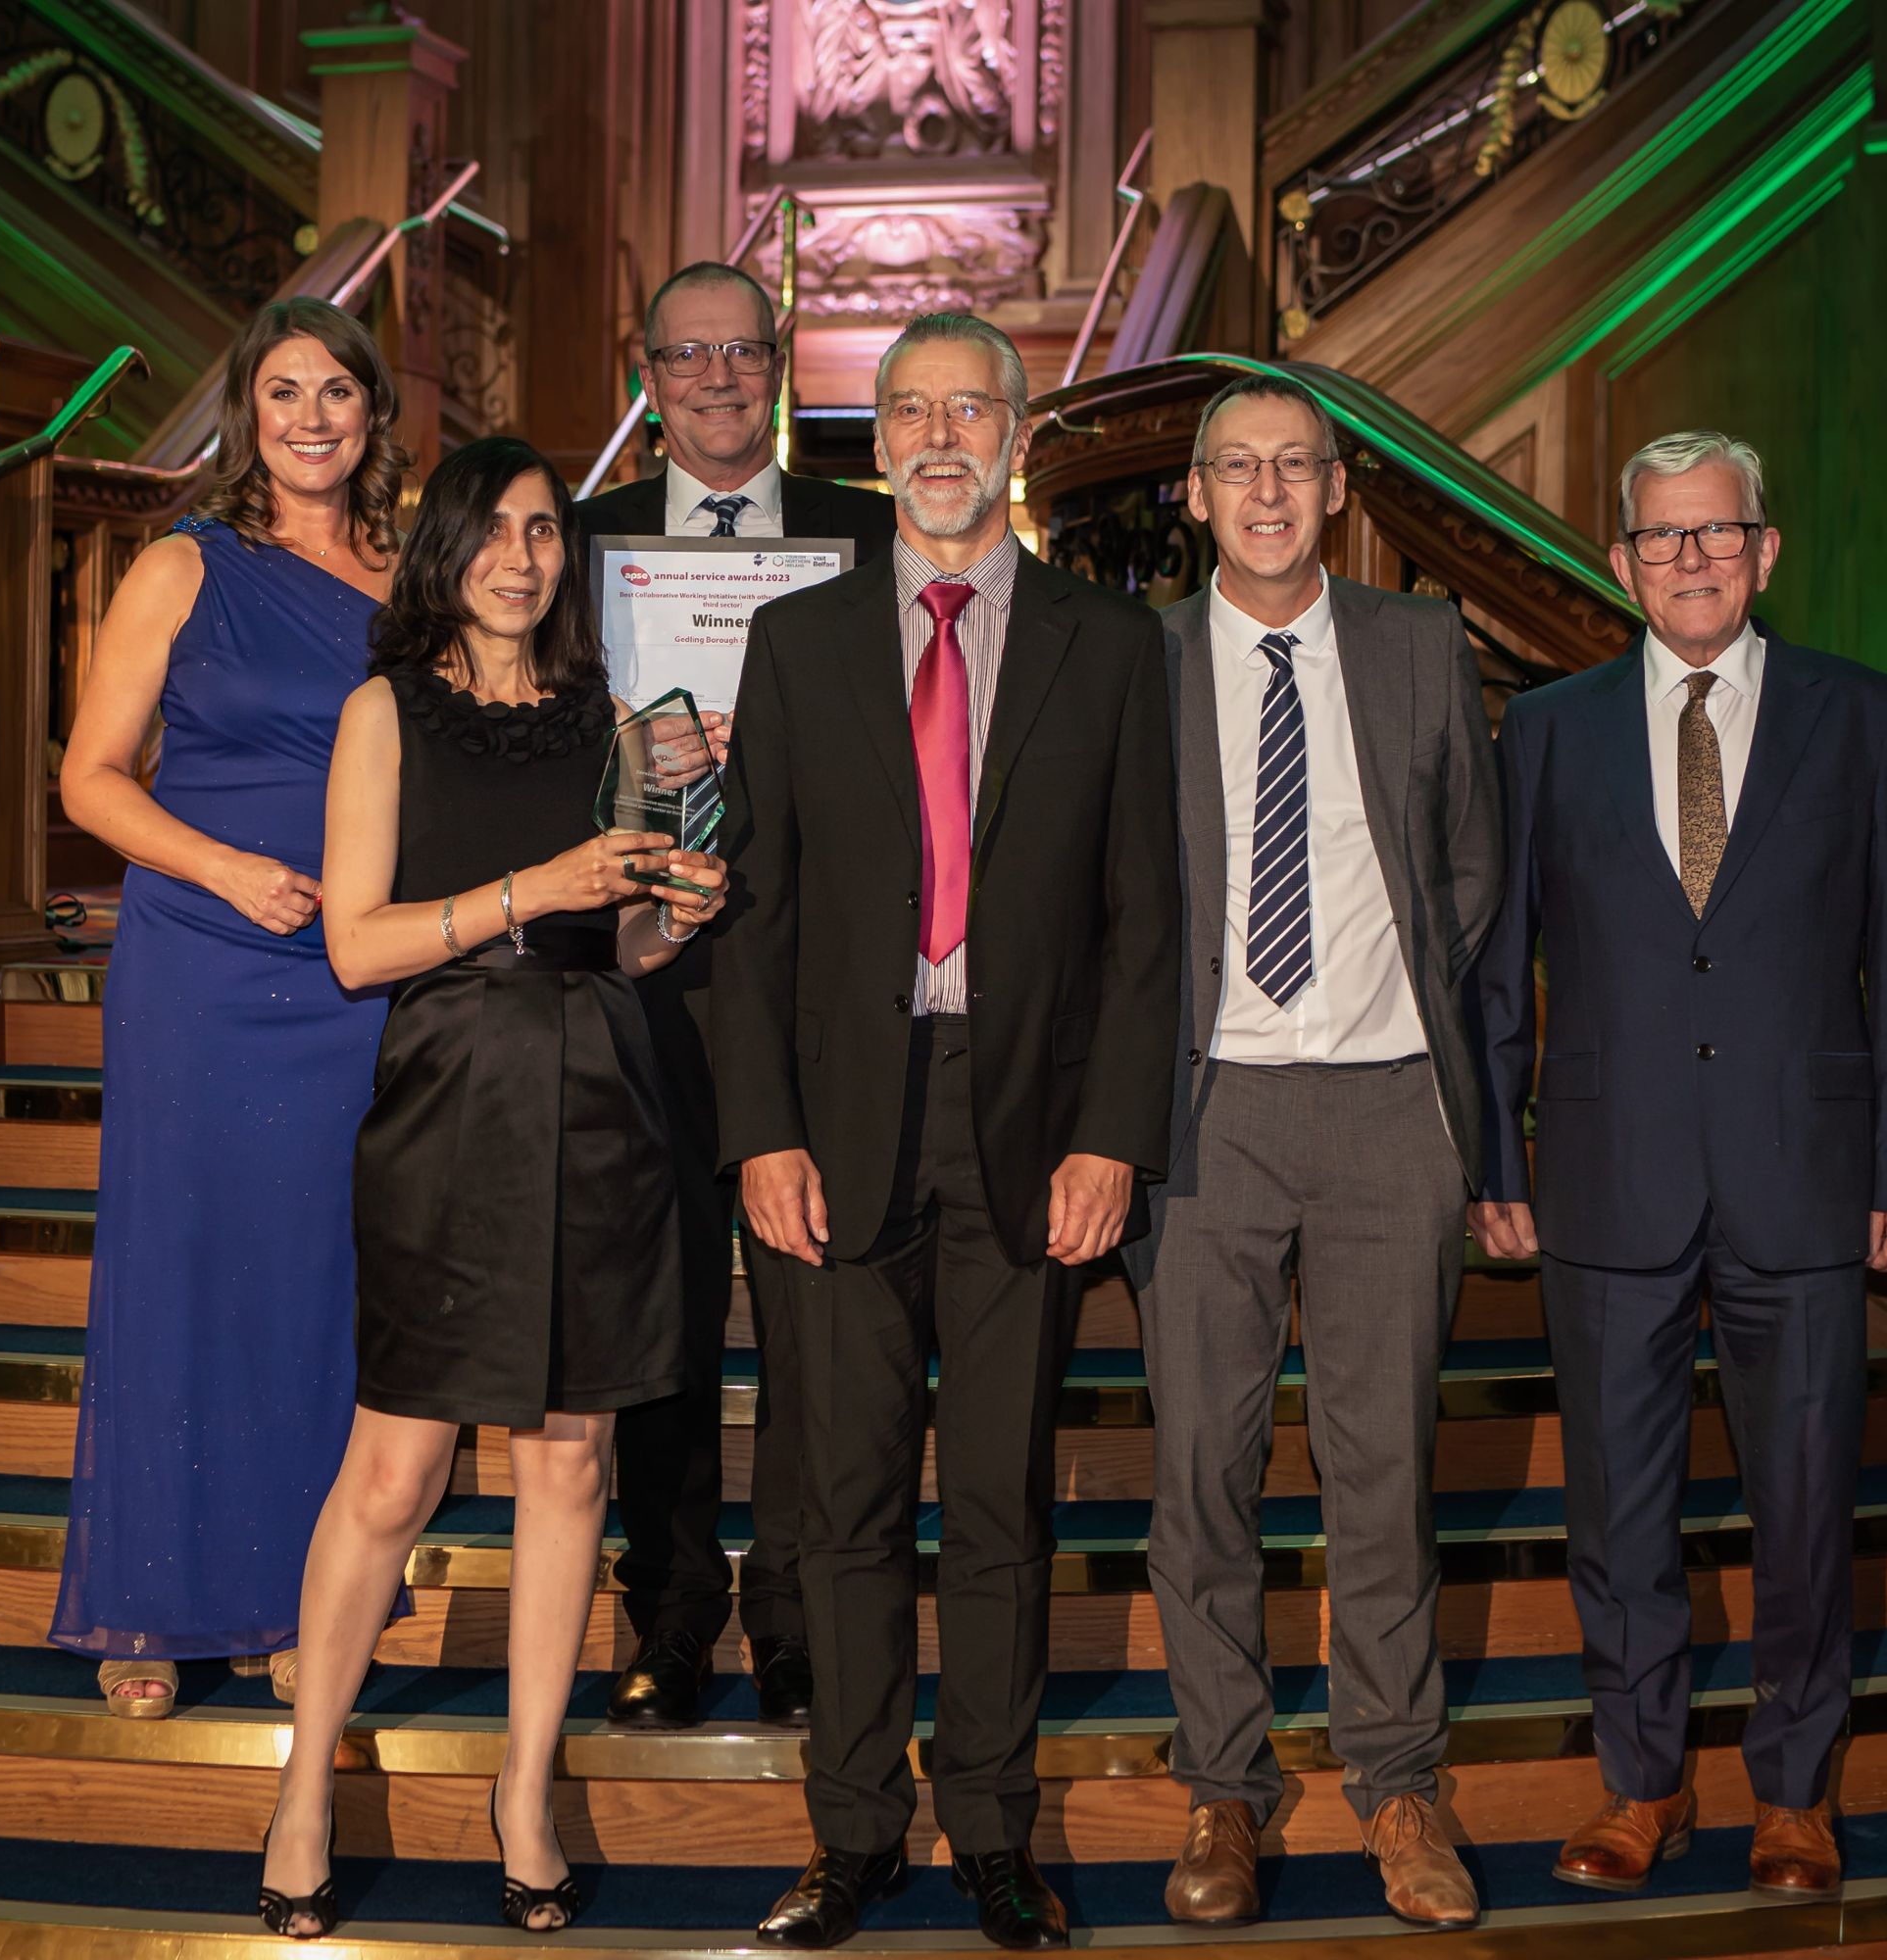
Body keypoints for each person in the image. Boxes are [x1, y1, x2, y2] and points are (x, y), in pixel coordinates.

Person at [711, 312, 1177, 1951]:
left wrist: (1113, 1135)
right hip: (835, 1132)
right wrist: (758, 1130)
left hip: (1029, 1125)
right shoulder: (800, 640)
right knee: (838, 1503)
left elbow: (1147, 922)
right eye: (907, 408)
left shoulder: (1110, 645)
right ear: (874, 437)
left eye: (967, 407)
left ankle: (991, 1828)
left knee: (997, 1506)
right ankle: (853, 1838)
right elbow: (749, 915)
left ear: (1018, 429)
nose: (936, 435)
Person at [255, 437, 728, 1940]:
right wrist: (538, 889)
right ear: (446, 548)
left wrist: (676, 906)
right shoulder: (385, 709)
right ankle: (306, 1789)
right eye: (496, 531)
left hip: (603, 1096)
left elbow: (631, 941)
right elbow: (355, 946)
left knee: (571, 1464)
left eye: (545, 533)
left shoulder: (608, 718)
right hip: (452, 1093)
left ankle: (523, 1793)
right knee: (395, 1472)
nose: (522, 558)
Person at [1468, 430, 1887, 1904]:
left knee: (1803, 1504)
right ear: (1619, 563)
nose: (1690, 559)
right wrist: (1499, 1152)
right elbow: (1499, 972)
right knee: (1618, 1512)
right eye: (1662, 538)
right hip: (1606, 1178)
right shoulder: (1545, 728)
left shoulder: (1859, 718)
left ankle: (1795, 1796)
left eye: (1716, 534)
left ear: (1765, 548)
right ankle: (1643, 1783)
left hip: (1804, 1175)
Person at [1123, 374, 1500, 1931]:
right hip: (1205, 1110)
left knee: (1384, 1469)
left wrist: (1393, 1018)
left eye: (1297, 464)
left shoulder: (1421, 647)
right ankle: (1225, 1788)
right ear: (1195, 496)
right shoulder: (1132, 660)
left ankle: (1398, 1783)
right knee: (1201, 1471)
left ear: (1339, 489)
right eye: (1238, 467)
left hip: (1386, 1104)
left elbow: (1467, 873)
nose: (1269, 490)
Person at [49, 297, 406, 1719]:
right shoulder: (182, 566)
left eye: (337, 392)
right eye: (284, 395)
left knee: (318, 1281)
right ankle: (147, 1602)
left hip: (353, 967)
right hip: (204, 958)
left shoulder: (409, 569)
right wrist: (229, 869)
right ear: (243, 418)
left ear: (373, 412)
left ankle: (286, 1595)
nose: (313, 418)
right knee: (182, 1267)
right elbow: (90, 778)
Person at [576, 260, 899, 1732]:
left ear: (778, 365)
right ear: (645, 374)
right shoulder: (574, 548)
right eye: (685, 354)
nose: (717, 377)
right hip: (632, 980)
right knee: (661, 1321)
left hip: (813, 982)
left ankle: (793, 1610)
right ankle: (671, 1610)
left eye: (743, 351)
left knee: (810, 1320)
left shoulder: (871, 539)